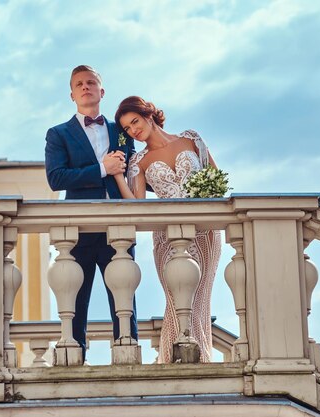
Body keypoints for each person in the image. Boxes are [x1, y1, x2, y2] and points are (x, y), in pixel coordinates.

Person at [112, 96, 222, 363]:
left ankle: (194, 358)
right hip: (168, 240)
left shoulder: (191, 140)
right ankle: (180, 360)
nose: (133, 130)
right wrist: (117, 175)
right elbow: (137, 206)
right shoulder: (139, 161)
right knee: (176, 300)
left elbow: (217, 182)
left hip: (205, 232)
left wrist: (204, 195)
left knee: (201, 297)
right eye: (127, 129)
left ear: (149, 115)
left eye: (135, 121)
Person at [44, 65, 138, 360]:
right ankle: (75, 356)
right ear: (72, 94)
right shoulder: (58, 134)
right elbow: (56, 178)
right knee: (76, 297)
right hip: (79, 228)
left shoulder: (120, 132)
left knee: (124, 294)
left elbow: (136, 170)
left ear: (101, 91)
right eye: (79, 84)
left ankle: (128, 351)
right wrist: (101, 169)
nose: (85, 87)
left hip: (118, 227)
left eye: (91, 82)